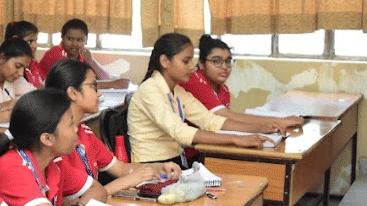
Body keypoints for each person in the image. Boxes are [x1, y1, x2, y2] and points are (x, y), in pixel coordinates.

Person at [127, 33, 302, 165]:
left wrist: (260, 128)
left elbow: (210, 120)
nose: (191, 67)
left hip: (173, 163)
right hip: (150, 166)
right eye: (186, 61)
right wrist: (235, 139)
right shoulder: (150, 90)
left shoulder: (177, 91)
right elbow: (180, 132)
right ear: (165, 61)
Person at [45, 59, 181, 197]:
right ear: (73, 93)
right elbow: (77, 201)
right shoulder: (56, 140)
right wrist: (129, 180)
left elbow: (121, 168)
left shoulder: (84, 132)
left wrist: (156, 168)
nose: (99, 93)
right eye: (93, 86)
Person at [0, 89, 95, 206]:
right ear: (47, 139)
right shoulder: (13, 167)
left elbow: (97, 189)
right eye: (71, 124)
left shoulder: (53, 161)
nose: (77, 129)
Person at [39, 18, 123, 87]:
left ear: (86, 40)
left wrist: (90, 60)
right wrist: (112, 84)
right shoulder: (56, 54)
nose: (74, 44)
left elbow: (105, 78)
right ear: (62, 38)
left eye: (79, 40)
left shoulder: (81, 55)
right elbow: (73, 86)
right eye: (70, 39)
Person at [181, 35, 234, 114]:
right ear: (201, 64)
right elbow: (226, 116)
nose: (224, 67)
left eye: (228, 61)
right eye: (217, 61)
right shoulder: (195, 82)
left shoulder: (224, 89)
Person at [5, 20, 46, 88]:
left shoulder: (33, 63)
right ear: (15, 40)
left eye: (36, 41)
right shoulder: (12, 69)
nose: (35, 46)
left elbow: (43, 82)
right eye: (30, 41)